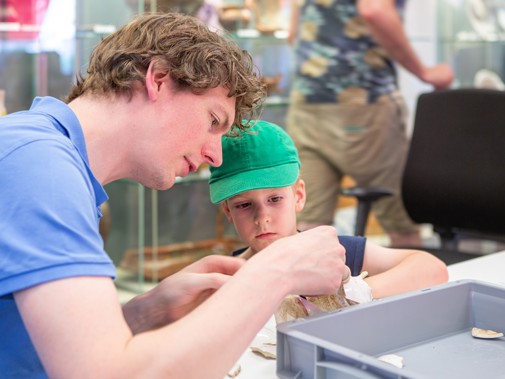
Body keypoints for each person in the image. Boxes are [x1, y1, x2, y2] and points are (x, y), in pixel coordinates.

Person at [0, 13, 348, 379]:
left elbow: (34, 345)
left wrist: (147, 312)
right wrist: (277, 272)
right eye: (214, 121)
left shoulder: (44, 156)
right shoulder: (43, 166)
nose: (215, 155)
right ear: (159, 79)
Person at [209, 120, 448, 302]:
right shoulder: (226, 278)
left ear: (298, 196)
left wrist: (355, 292)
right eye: (244, 205)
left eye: (274, 199)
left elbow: (432, 269)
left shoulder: (337, 253)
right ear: (228, 212)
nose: (262, 218)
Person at [286, 0, 454, 246]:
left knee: (307, 228)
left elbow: (294, 30)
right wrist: (424, 72)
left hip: (307, 99)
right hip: (362, 102)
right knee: (402, 226)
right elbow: (374, 8)